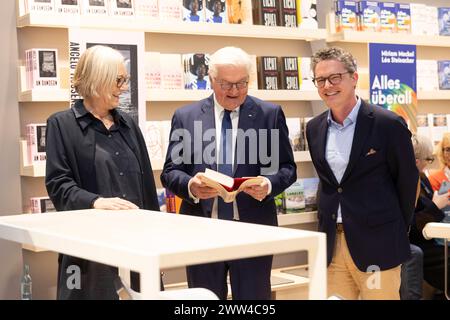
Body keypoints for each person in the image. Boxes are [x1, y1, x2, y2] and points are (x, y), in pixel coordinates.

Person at [161, 46, 296, 300]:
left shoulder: (269, 114)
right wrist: (191, 186)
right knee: (203, 301)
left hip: (254, 229)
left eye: (241, 84)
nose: (234, 92)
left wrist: (267, 184)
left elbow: (287, 169)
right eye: (226, 84)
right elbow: (170, 171)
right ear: (211, 80)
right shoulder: (186, 117)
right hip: (202, 231)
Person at [45, 45, 161, 300]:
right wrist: (96, 202)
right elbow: (58, 183)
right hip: (88, 253)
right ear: (99, 79)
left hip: (136, 245)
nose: (124, 86)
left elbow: (146, 188)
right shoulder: (61, 124)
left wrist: (156, 238)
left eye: (124, 80)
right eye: (118, 80)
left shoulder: (129, 124)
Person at [306, 46, 418, 300]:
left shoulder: (387, 124)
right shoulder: (314, 128)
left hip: (379, 246)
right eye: (320, 80)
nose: (328, 85)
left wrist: (394, 231)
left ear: (354, 78)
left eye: (335, 77)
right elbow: (330, 186)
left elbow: (407, 182)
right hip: (332, 246)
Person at [409, 134, 450, 296]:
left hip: (431, 238)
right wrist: (436, 205)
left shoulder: (421, 178)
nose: (428, 164)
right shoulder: (408, 181)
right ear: (417, 161)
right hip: (422, 240)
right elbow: (412, 224)